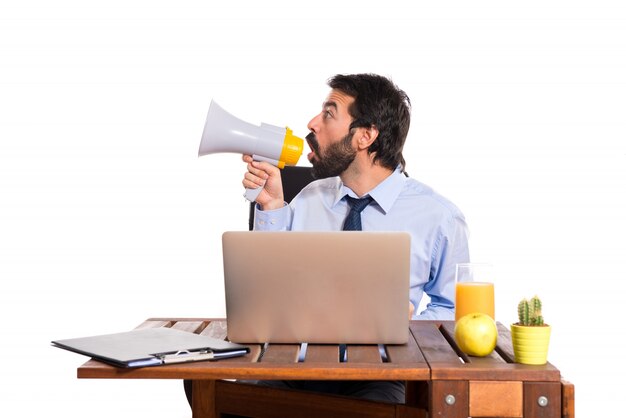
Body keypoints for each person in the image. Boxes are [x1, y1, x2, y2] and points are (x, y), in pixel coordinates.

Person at [237, 73, 470, 403]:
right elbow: (264, 288)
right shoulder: (307, 198)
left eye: (329, 113)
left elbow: (455, 312)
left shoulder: (439, 217)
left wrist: (406, 323)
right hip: (293, 370)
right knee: (222, 395)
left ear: (365, 135)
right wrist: (272, 205)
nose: (312, 123)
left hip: (380, 376)